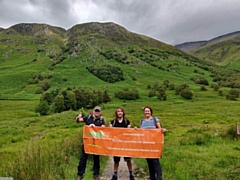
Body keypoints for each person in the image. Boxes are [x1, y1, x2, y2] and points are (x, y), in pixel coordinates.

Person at [75, 106, 105, 180]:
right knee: (83, 158)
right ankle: (80, 174)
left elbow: (103, 128)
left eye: (98, 111)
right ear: (93, 111)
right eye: (96, 111)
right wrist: (78, 117)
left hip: (96, 143)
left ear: (100, 112)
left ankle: (96, 174)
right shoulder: (88, 117)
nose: (97, 112)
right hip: (87, 142)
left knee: (96, 159)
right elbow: (79, 121)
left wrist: (96, 128)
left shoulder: (101, 120)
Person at [140, 106, 167, 180]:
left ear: (151, 112)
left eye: (148, 111)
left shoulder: (155, 119)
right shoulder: (142, 120)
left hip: (154, 144)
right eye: (145, 111)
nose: (147, 112)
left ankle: (159, 177)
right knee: (149, 161)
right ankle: (152, 177)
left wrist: (163, 130)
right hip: (146, 144)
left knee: (155, 161)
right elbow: (140, 132)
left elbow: (159, 129)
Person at [109, 107, 135, 180]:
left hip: (125, 144)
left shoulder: (127, 122)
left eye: (121, 111)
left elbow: (129, 132)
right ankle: (115, 175)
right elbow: (110, 132)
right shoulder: (113, 122)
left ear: (123, 113)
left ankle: (131, 175)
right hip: (116, 144)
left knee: (128, 160)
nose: (119, 113)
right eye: (118, 111)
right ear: (116, 113)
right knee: (116, 161)